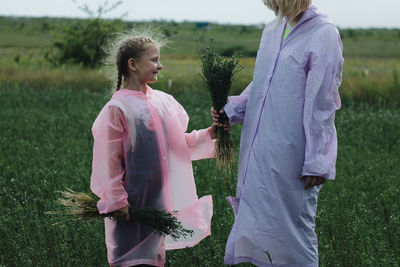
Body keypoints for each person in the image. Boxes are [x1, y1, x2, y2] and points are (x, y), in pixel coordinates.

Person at [212, 0, 344, 266]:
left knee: (295, 231)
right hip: (259, 148)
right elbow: (263, 82)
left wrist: (317, 161)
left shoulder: (324, 33)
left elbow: (322, 103)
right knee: (259, 223)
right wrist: (232, 110)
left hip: (293, 152)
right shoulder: (273, 29)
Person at [90, 30, 216, 267]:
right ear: (133, 64)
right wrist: (117, 201)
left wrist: (211, 133)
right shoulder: (118, 108)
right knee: (129, 260)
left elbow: (179, 145)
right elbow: (108, 160)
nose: (161, 65)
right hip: (130, 205)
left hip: (158, 202)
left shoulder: (164, 102)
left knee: (154, 260)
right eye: (155, 59)